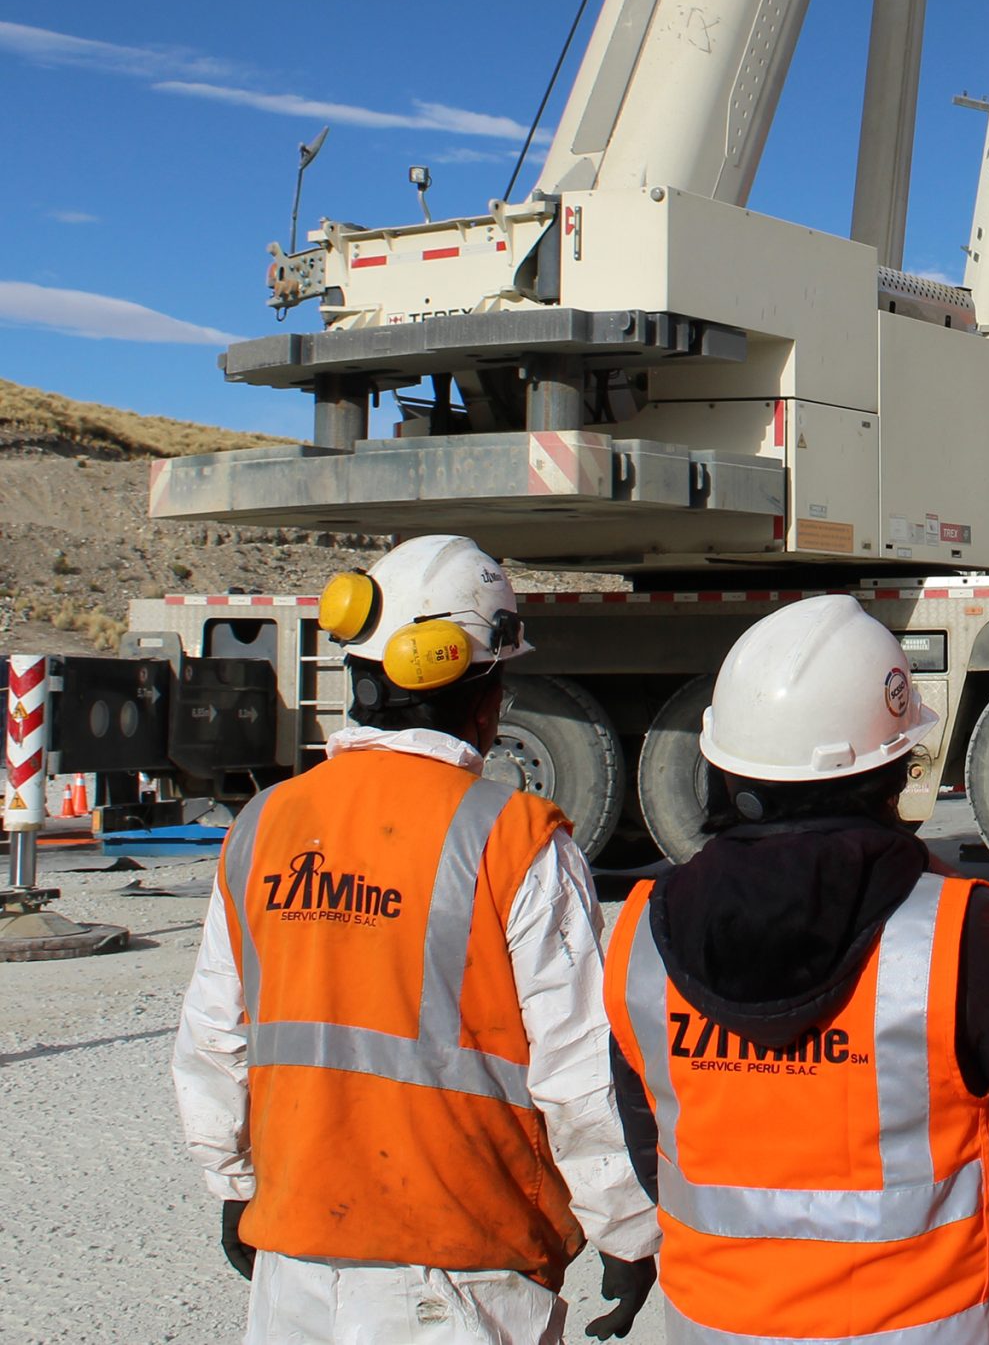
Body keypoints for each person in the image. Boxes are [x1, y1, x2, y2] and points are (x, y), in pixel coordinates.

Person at [172, 534, 659, 1342]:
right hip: (459, 1272)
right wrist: (627, 1231)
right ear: (485, 693)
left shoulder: (265, 825)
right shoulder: (513, 839)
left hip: (293, 1256)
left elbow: (214, 1034)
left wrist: (234, 1184)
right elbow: (578, 1067)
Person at [603, 595, 989, 1342]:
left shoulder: (646, 930)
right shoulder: (948, 931)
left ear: (722, 766)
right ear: (894, 770)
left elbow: (654, 1152)